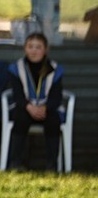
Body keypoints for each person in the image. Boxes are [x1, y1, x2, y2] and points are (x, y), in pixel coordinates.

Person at [7, 32, 64, 171]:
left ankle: (51, 165)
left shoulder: (55, 69)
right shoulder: (16, 68)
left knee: (53, 121)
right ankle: (15, 163)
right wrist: (29, 107)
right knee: (20, 118)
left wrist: (45, 108)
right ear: (24, 49)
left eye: (38, 47)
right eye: (30, 46)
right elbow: (17, 95)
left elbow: (56, 97)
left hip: (46, 109)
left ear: (46, 49)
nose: (34, 50)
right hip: (25, 108)